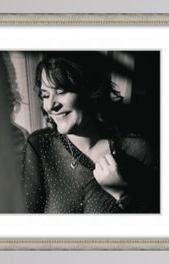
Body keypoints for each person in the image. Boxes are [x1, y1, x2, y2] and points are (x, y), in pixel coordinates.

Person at [18, 53, 159, 215]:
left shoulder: (139, 151)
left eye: (61, 91)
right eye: (45, 95)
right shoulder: (40, 146)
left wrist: (123, 196)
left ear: (89, 89)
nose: (50, 105)